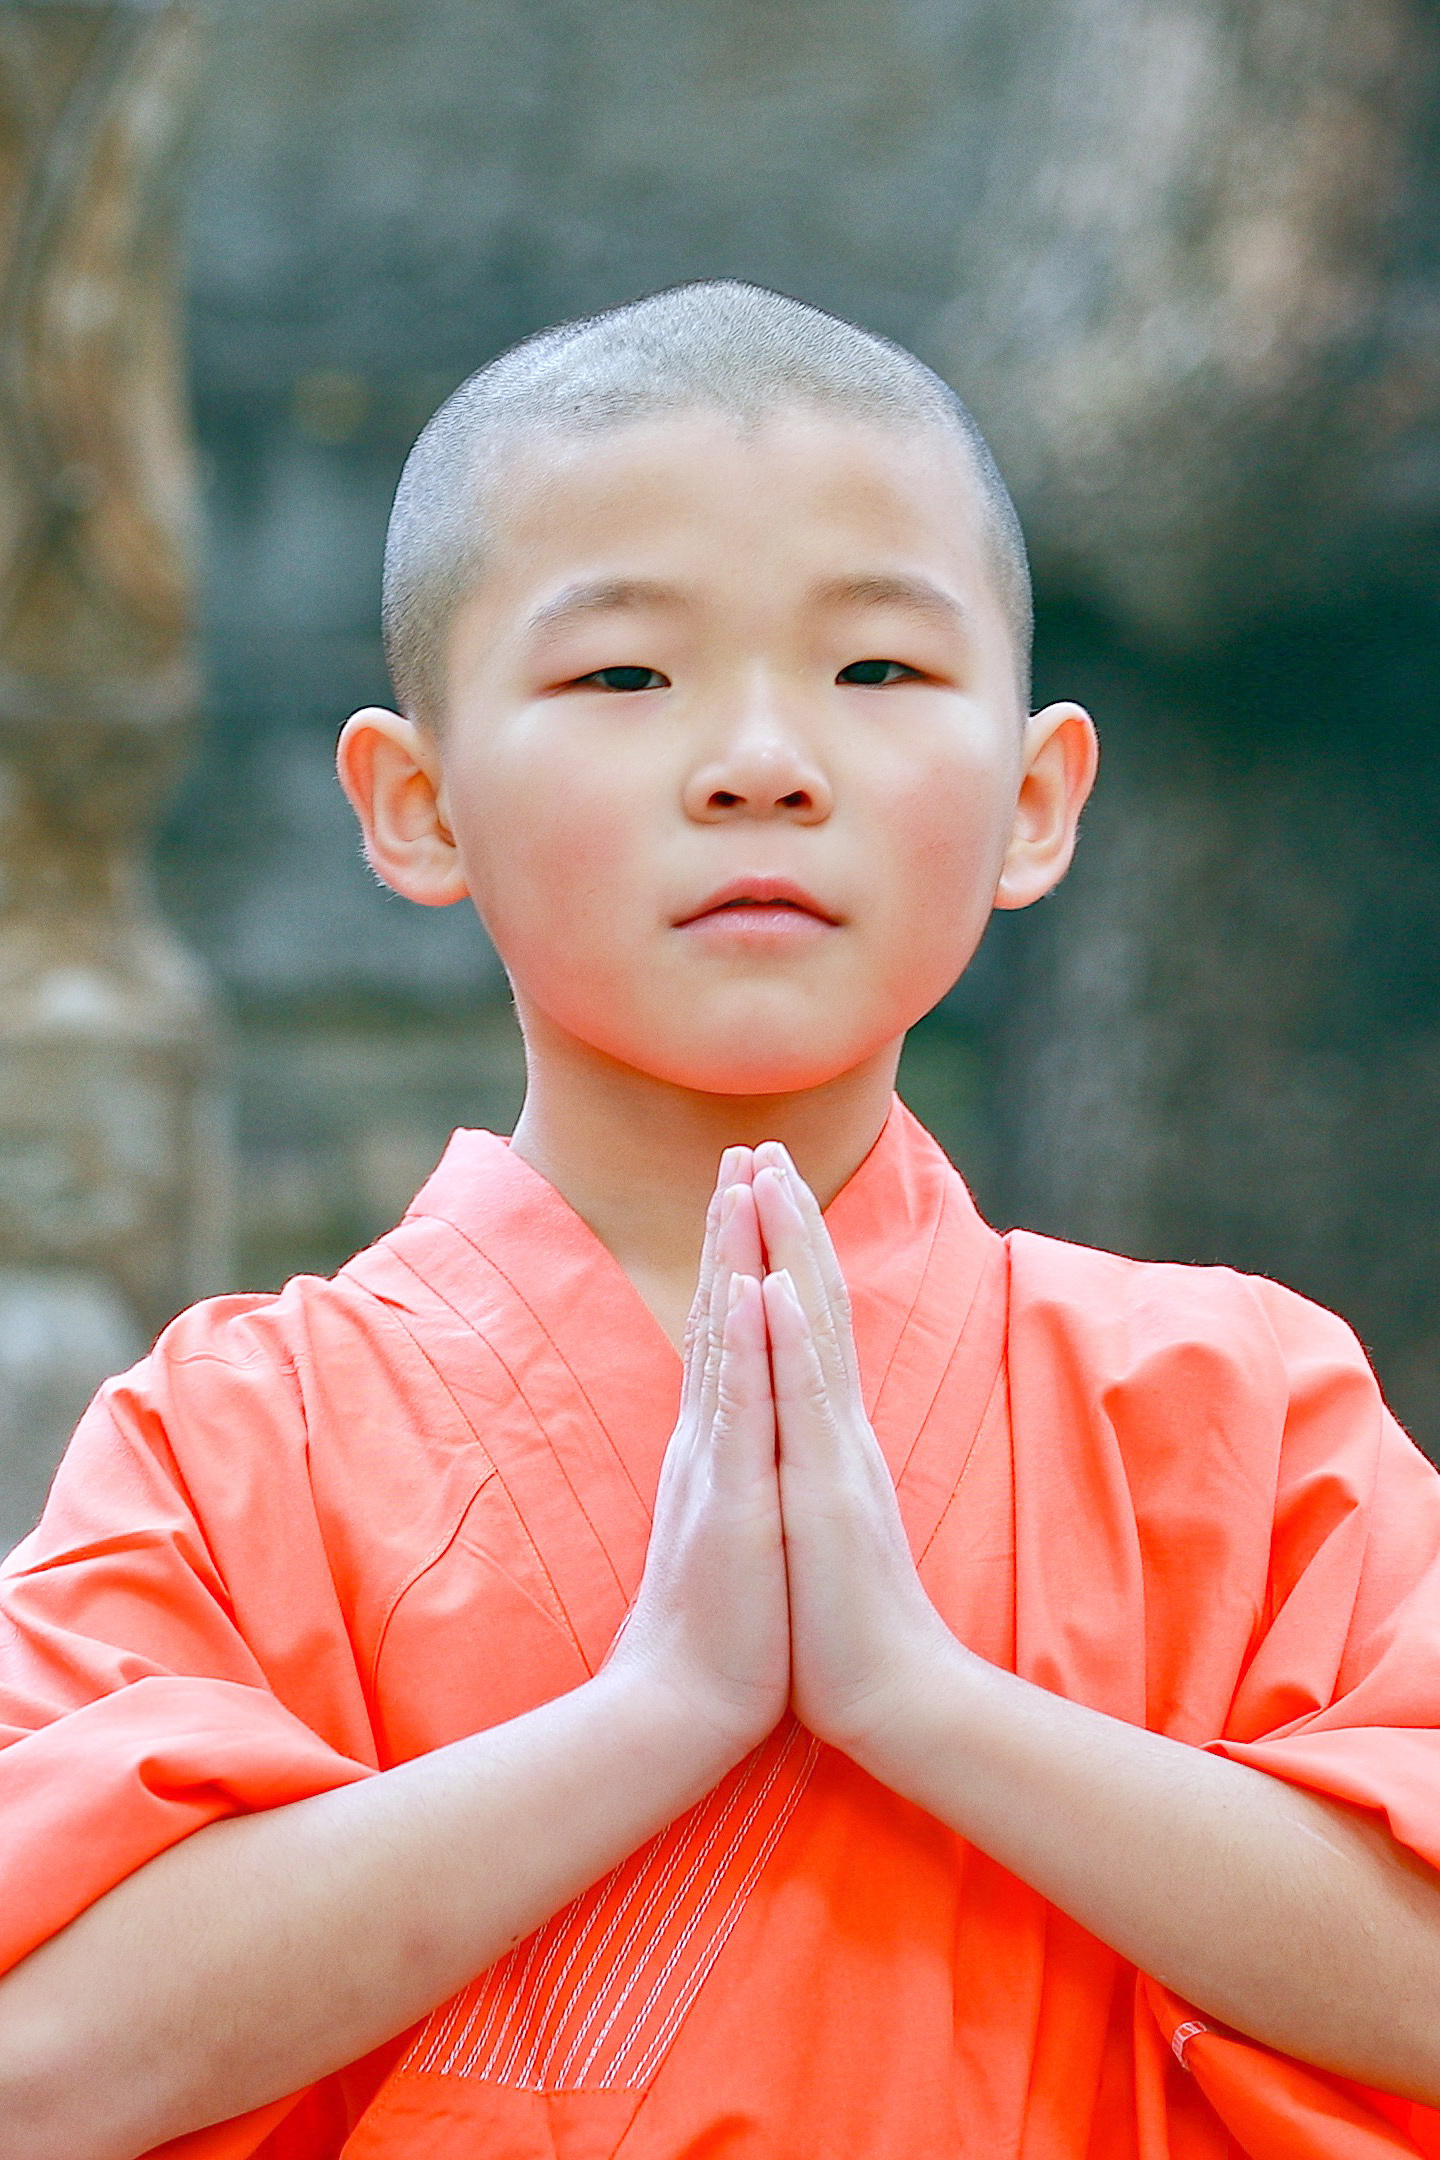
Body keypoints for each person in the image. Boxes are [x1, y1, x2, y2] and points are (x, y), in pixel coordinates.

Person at [1, 281, 1439, 2160]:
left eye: (877, 674)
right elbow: (42, 2069)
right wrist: (660, 1708)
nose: (761, 760)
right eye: (624, 677)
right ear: (417, 805)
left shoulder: (1230, 1405)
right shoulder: (235, 1441)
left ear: (1033, 800)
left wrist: (915, 1698)